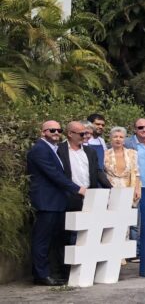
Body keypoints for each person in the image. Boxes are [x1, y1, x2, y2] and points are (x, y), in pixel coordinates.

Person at [27, 120, 81, 286]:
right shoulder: (39, 150)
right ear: (43, 132)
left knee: (53, 240)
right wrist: (77, 189)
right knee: (42, 239)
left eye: (59, 130)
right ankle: (41, 275)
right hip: (46, 202)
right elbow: (53, 175)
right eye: (52, 130)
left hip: (56, 201)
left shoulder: (53, 149)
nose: (56, 133)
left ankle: (47, 273)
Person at [105, 126, 141, 205]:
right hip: (110, 191)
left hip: (128, 191)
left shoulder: (132, 153)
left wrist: (137, 189)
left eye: (121, 137)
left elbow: (136, 173)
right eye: (115, 137)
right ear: (111, 139)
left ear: (124, 140)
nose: (118, 139)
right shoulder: (105, 154)